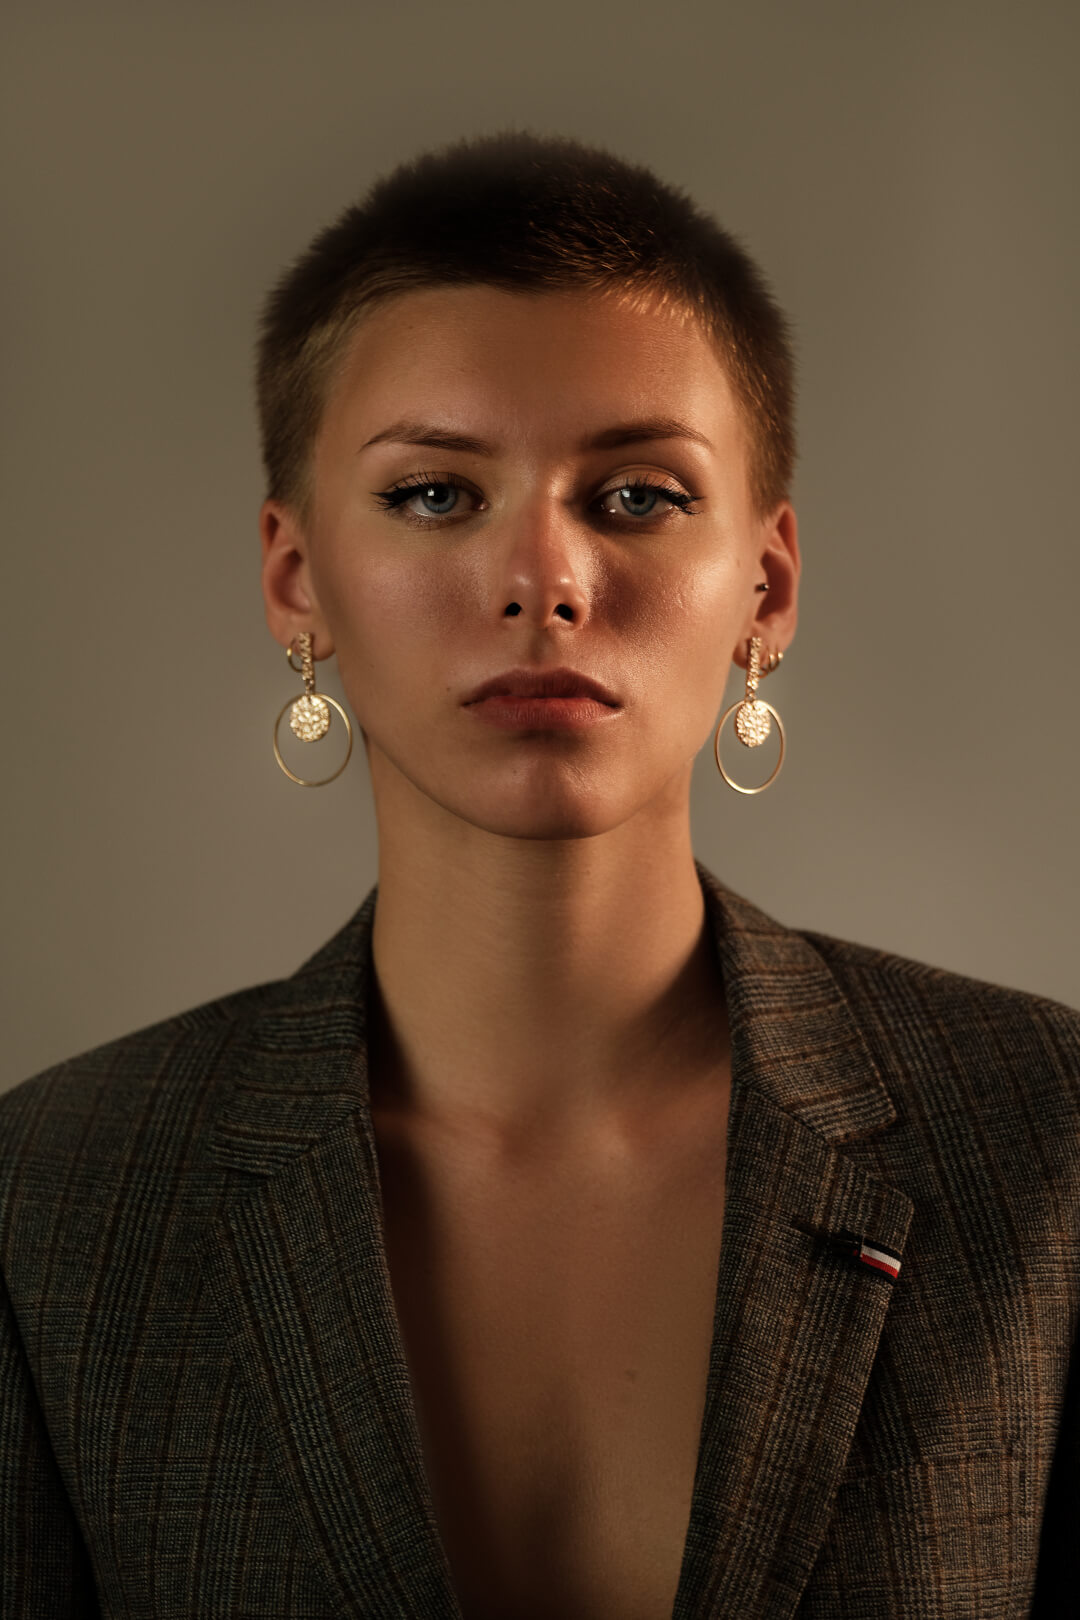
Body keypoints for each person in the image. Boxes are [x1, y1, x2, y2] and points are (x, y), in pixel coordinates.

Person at [1, 129, 1076, 1620]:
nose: (545, 580)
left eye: (637, 494)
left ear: (766, 587)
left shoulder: (1046, 1150)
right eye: (437, 495)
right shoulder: (54, 1203)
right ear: (296, 578)